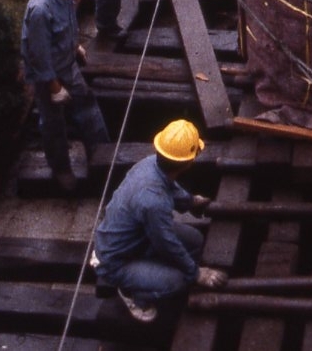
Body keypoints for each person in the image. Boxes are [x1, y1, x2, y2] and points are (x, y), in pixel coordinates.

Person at [94, 120, 227, 322]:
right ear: (189, 161)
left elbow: (170, 187)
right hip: (116, 261)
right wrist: (195, 273)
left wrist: (191, 202)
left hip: (134, 238)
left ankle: (151, 270)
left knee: (195, 240)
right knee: (178, 282)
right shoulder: (154, 202)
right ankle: (133, 295)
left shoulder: (149, 163)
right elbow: (165, 242)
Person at [20, 0, 109, 193]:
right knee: (53, 121)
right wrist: (53, 86)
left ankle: (103, 156)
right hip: (48, 73)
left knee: (88, 106)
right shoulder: (41, 9)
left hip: (66, 62)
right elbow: (38, 53)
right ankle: (61, 168)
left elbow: (66, 19)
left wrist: (75, 45)